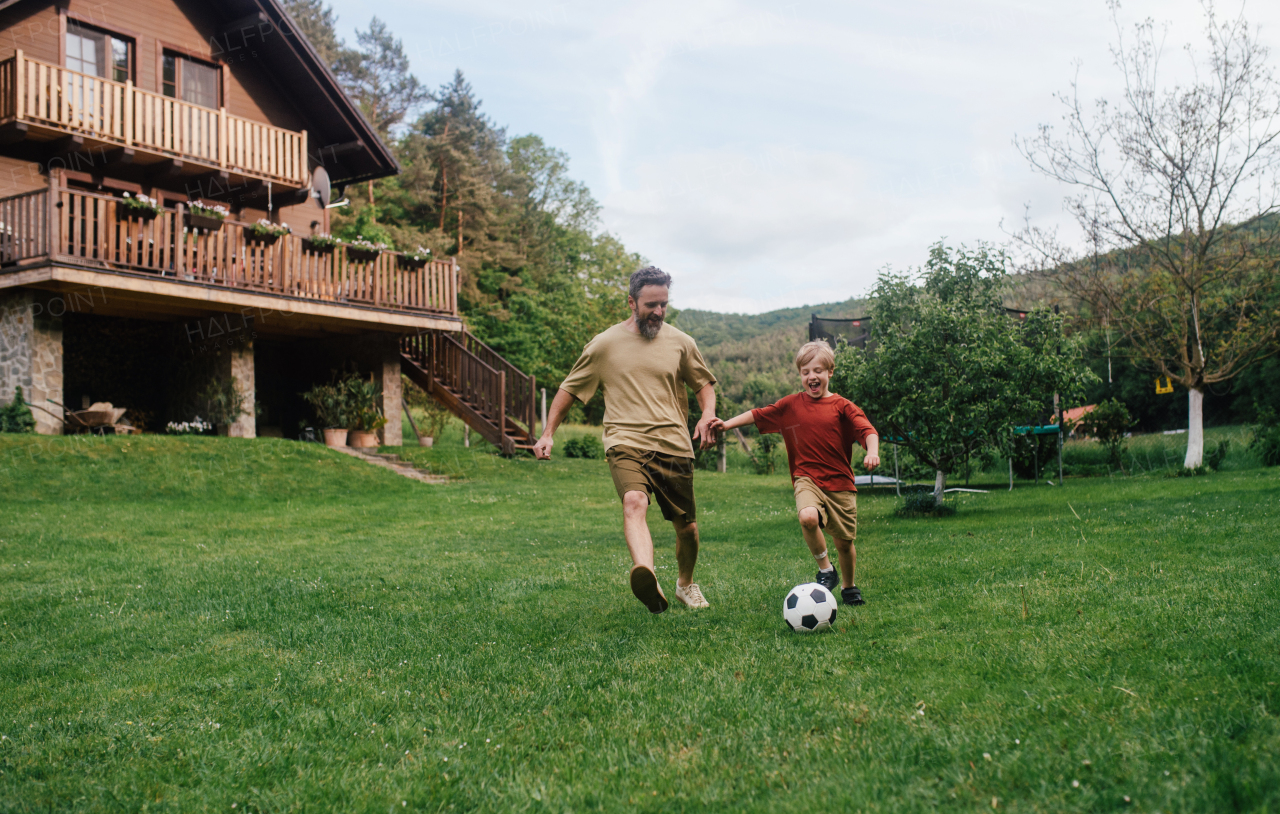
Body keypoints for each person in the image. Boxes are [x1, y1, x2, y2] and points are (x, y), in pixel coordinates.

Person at [532, 266, 719, 613]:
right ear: (631, 302)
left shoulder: (681, 343)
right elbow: (569, 389)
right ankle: (645, 573)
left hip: (673, 443)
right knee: (634, 501)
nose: (659, 312)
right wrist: (548, 433)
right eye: (651, 304)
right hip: (624, 440)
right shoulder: (605, 345)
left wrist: (707, 414)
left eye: (664, 304)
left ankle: (685, 584)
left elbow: (704, 385)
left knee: (688, 529)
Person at [709, 340, 879, 605]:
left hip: (840, 484)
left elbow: (868, 431)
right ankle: (826, 569)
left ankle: (849, 586)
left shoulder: (842, 406)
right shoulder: (790, 406)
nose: (812, 376)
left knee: (844, 543)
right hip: (807, 478)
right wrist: (726, 424)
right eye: (805, 372)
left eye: (818, 370)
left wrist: (872, 451)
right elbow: (757, 414)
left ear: (830, 372)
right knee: (808, 517)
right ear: (800, 374)